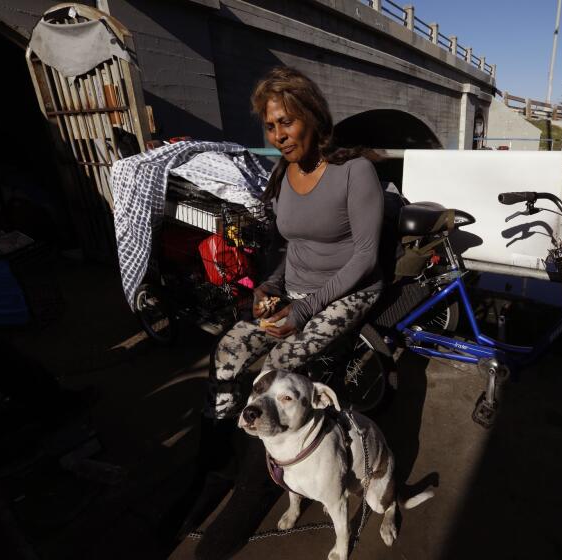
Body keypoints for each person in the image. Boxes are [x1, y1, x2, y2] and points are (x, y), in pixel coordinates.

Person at [167, 67, 384, 551]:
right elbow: (292, 250)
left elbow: (366, 256)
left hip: (347, 290)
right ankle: (215, 458)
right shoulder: (284, 172)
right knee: (226, 351)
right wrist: (268, 285)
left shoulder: (355, 171)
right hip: (297, 290)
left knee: (279, 367)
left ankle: (255, 484)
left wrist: (304, 311)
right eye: (270, 126)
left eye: (286, 122)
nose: (278, 135)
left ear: (312, 116)